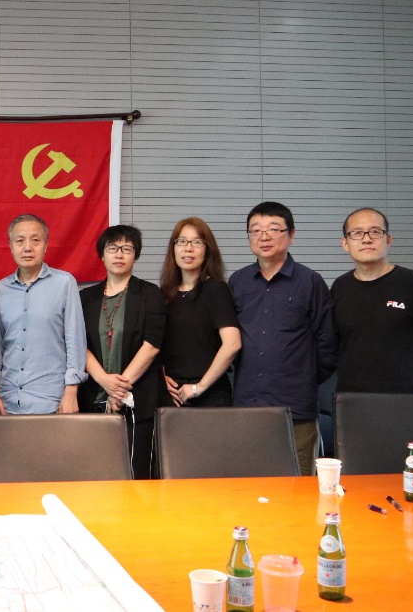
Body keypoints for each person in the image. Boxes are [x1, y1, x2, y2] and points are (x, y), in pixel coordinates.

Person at [230, 201, 336, 476]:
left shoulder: (310, 281)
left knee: (299, 485)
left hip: (296, 406)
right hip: (249, 404)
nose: (264, 236)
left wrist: (302, 378)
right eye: (256, 230)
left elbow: (327, 344)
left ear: (291, 235)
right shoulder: (238, 282)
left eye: (273, 229)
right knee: (249, 481)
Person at [331, 207, 413, 394]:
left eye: (375, 231)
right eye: (356, 233)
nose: (366, 239)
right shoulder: (340, 287)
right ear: (345, 243)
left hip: (406, 402)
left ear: (388, 240)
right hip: (351, 401)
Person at [78, 225, 165, 480]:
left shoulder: (150, 294)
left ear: (135, 255)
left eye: (127, 248)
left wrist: (118, 390)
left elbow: (152, 345)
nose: (119, 254)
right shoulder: (86, 298)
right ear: (101, 254)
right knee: (95, 477)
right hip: (93, 400)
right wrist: (104, 380)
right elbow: (78, 344)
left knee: (136, 476)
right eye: (112, 248)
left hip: (136, 400)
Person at [0, 214, 87, 415]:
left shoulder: (64, 283)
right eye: (20, 241)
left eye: (35, 240)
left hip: (51, 400)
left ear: (46, 245)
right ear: (11, 246)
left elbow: (75, 341)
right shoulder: (2, 289)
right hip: (8, 401)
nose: (27, 247)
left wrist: (71, 391)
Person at [158, 217, 242, 408]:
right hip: (172, 396)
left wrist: (199, 387)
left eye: (197, 242)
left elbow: (233, 344)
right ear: (173, 248)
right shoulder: (163, 294)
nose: (188, 248)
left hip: (210, 395)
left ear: (207, 250)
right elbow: (155, 346)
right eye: (182, 241)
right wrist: (161, 377)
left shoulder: (216, 290)